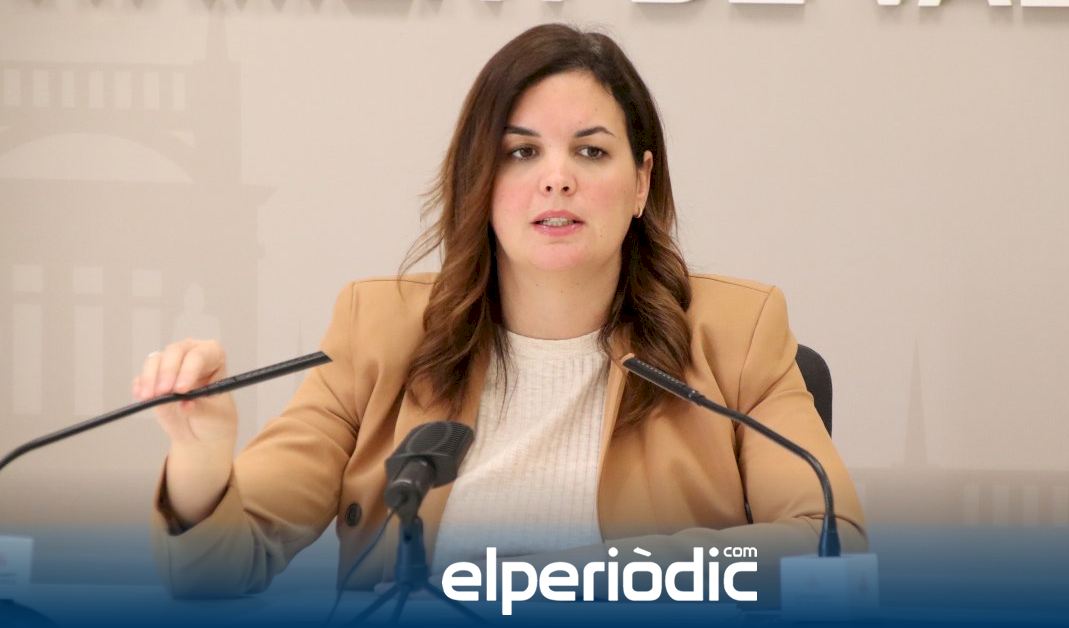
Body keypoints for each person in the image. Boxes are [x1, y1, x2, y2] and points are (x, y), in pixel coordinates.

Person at [134, 23, 867, 599]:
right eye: (520, 153)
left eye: (591, 152)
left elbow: (828, 543)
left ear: (642, 183)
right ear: (478, 181)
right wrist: (201, 458)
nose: (556, 179)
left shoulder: (735, 334)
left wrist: (573, 579)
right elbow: (213, 574)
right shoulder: (378, 332)